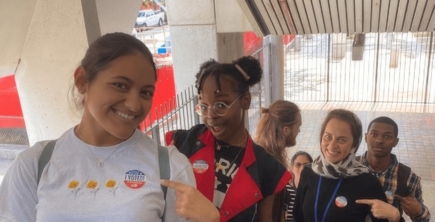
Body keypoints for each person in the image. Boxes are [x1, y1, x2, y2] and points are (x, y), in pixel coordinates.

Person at [0, 32, 196, 222]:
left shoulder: (170, 168)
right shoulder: (33, 164)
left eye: (146, 93)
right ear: (82, 81)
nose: (134, 105)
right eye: (120, 85)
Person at [166, 56, 291, 221]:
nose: (210, 116)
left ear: (245, 101)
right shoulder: (184, 143)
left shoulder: (267, 170)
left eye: (221, 105)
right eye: (204, 106)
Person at [294, 109, 399, 222]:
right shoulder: (308, 173)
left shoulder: (367, 183)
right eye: (328, 137)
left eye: (342, 140)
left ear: (354, 144)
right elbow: (298, 216)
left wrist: (395, 218)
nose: (332, 145)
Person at [358, 116, 431, 222]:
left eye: (387, 137)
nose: (379, 140)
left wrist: (418, 210)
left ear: (395, 142)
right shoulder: (349, 168)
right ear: (366, 137)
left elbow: (423, 219)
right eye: (374, 134)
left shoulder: (407, 178)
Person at [253, 100, 305, 222]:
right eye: (299, 127)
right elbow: (266, 217)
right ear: (286, 130)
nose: (299, 131)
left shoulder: (259, 153)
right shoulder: (272, 166)